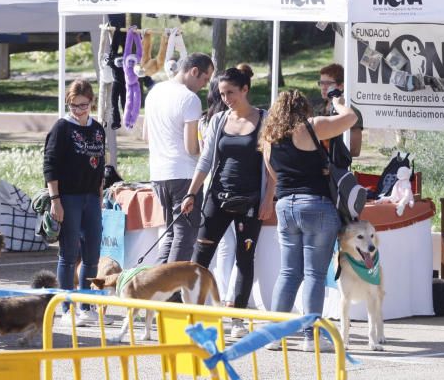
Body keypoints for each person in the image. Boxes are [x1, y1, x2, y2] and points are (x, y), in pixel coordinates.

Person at [181, 68, 275, 338]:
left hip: (250, 200)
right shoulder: (219, 119)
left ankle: (238, 318)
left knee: (244, 259)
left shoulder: (264, 120)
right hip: (217, 197)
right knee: (200, 258)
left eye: (231, 93)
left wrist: (268, 198)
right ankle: (194, 314)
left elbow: (272, 168)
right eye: (222, 94)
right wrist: (191, 193)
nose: (226, 99)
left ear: (245, 89)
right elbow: (206, 159)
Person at [263, 88, 357, 351]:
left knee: (289, 272)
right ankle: (311, 336)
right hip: (316, 204)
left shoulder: (270, 136)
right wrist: (338, 103)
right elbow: (350, 119)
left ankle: (275, 335)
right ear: (304, 108)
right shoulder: (311, 127)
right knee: (314, 274)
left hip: (285, 206)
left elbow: (274, 174)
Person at [43, 79, 106, 326]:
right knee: (68, 254)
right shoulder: (62, 128)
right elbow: (50, 165)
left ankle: (86, 304)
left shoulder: (98, 129)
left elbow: (100, 166)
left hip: (91, 196)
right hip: (68, 197)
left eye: (83, 105)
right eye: (73, 106)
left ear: (91, 103)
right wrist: (55, 199)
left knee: (92, 255)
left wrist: (100, 198)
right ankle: (67, 307)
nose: (78, 111)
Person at [145, 53, 215, 264]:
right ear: (194, 71)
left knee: (171, 235)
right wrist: (207, 149)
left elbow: (145, 136)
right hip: (183, 174)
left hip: (158, 173)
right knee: (184, 238)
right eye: (205, 78)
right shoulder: (190, 98)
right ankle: (172, 293)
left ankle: (157, 290)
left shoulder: (154, 92)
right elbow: (191, 147)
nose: (205, 85)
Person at [317, 63, 362, 166]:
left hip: (338, 168)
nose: (323, 87)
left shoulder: (350, 112)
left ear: (341, 86)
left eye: (328, 83)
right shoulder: (316, 110)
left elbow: (355, 149)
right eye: (321, 83)